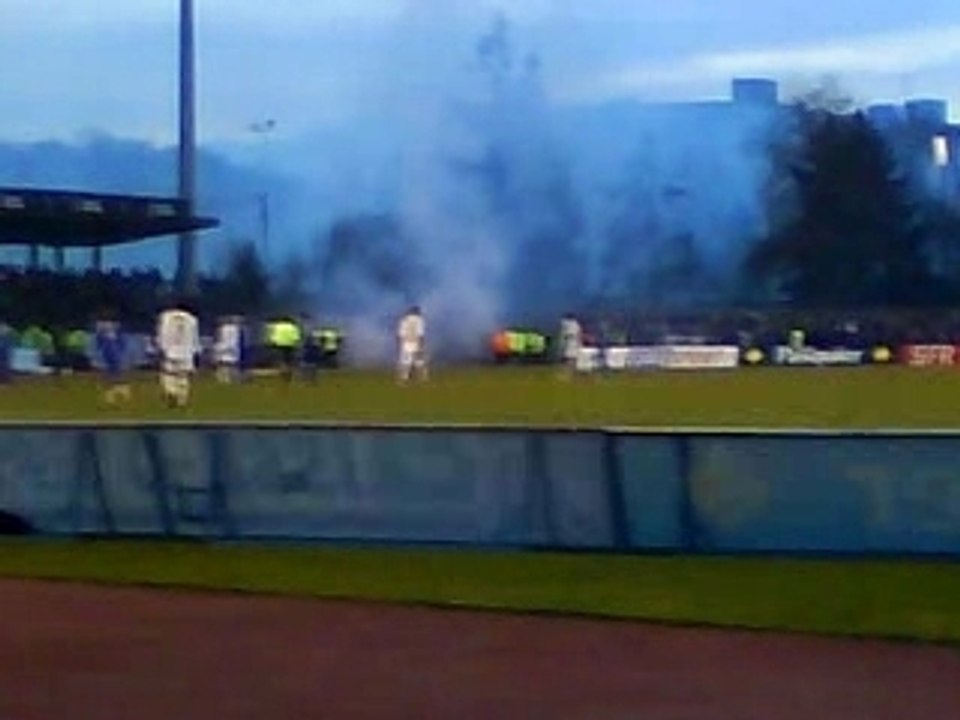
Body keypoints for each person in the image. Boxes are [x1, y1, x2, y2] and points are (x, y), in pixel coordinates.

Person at [156, 298, 201, 407]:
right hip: (186, 352)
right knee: (183, 376)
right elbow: (195, 338)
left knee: (168, 374)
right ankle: (182, 399)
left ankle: (171, 391)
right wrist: (196, 352)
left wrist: (161, 348)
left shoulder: (165, 316)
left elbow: (162, 333)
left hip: (170, 350)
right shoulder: (192, 320)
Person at [95, 314, 131, 404]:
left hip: (112, 351)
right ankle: (115, 389)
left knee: (115, 369)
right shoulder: (104, 332)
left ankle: (120, 387)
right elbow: (100, 341)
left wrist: (120, 347)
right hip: (108, 351)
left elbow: (121, 341)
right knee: (112, 369)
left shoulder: (114, 332)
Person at [396, 305, 427, 383]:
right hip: (416, 343)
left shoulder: (403, 320)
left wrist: (400, 345)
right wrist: (421, 345)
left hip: (405, 344)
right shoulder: (419, 320)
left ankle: (404, 378)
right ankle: (422, 379)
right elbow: (420, 334)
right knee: (419, 362)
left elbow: (400, 335)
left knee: (405, 362)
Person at [214, 315, 242, 384]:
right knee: (225, 364)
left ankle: (226, 378)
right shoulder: (230, 329)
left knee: (227, 364)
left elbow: (220, 338)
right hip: (227, 348)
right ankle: (225, 379)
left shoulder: (232, 329)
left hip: (228, 348)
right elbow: (221, 338)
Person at [559, 312, 583, 378]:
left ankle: (569, 374)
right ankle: (569, 373)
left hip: (572, 343)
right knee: (569, 358)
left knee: (570, 358)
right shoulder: (575, 325)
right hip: (571, 343)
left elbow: (574, 335)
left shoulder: (573, 324)